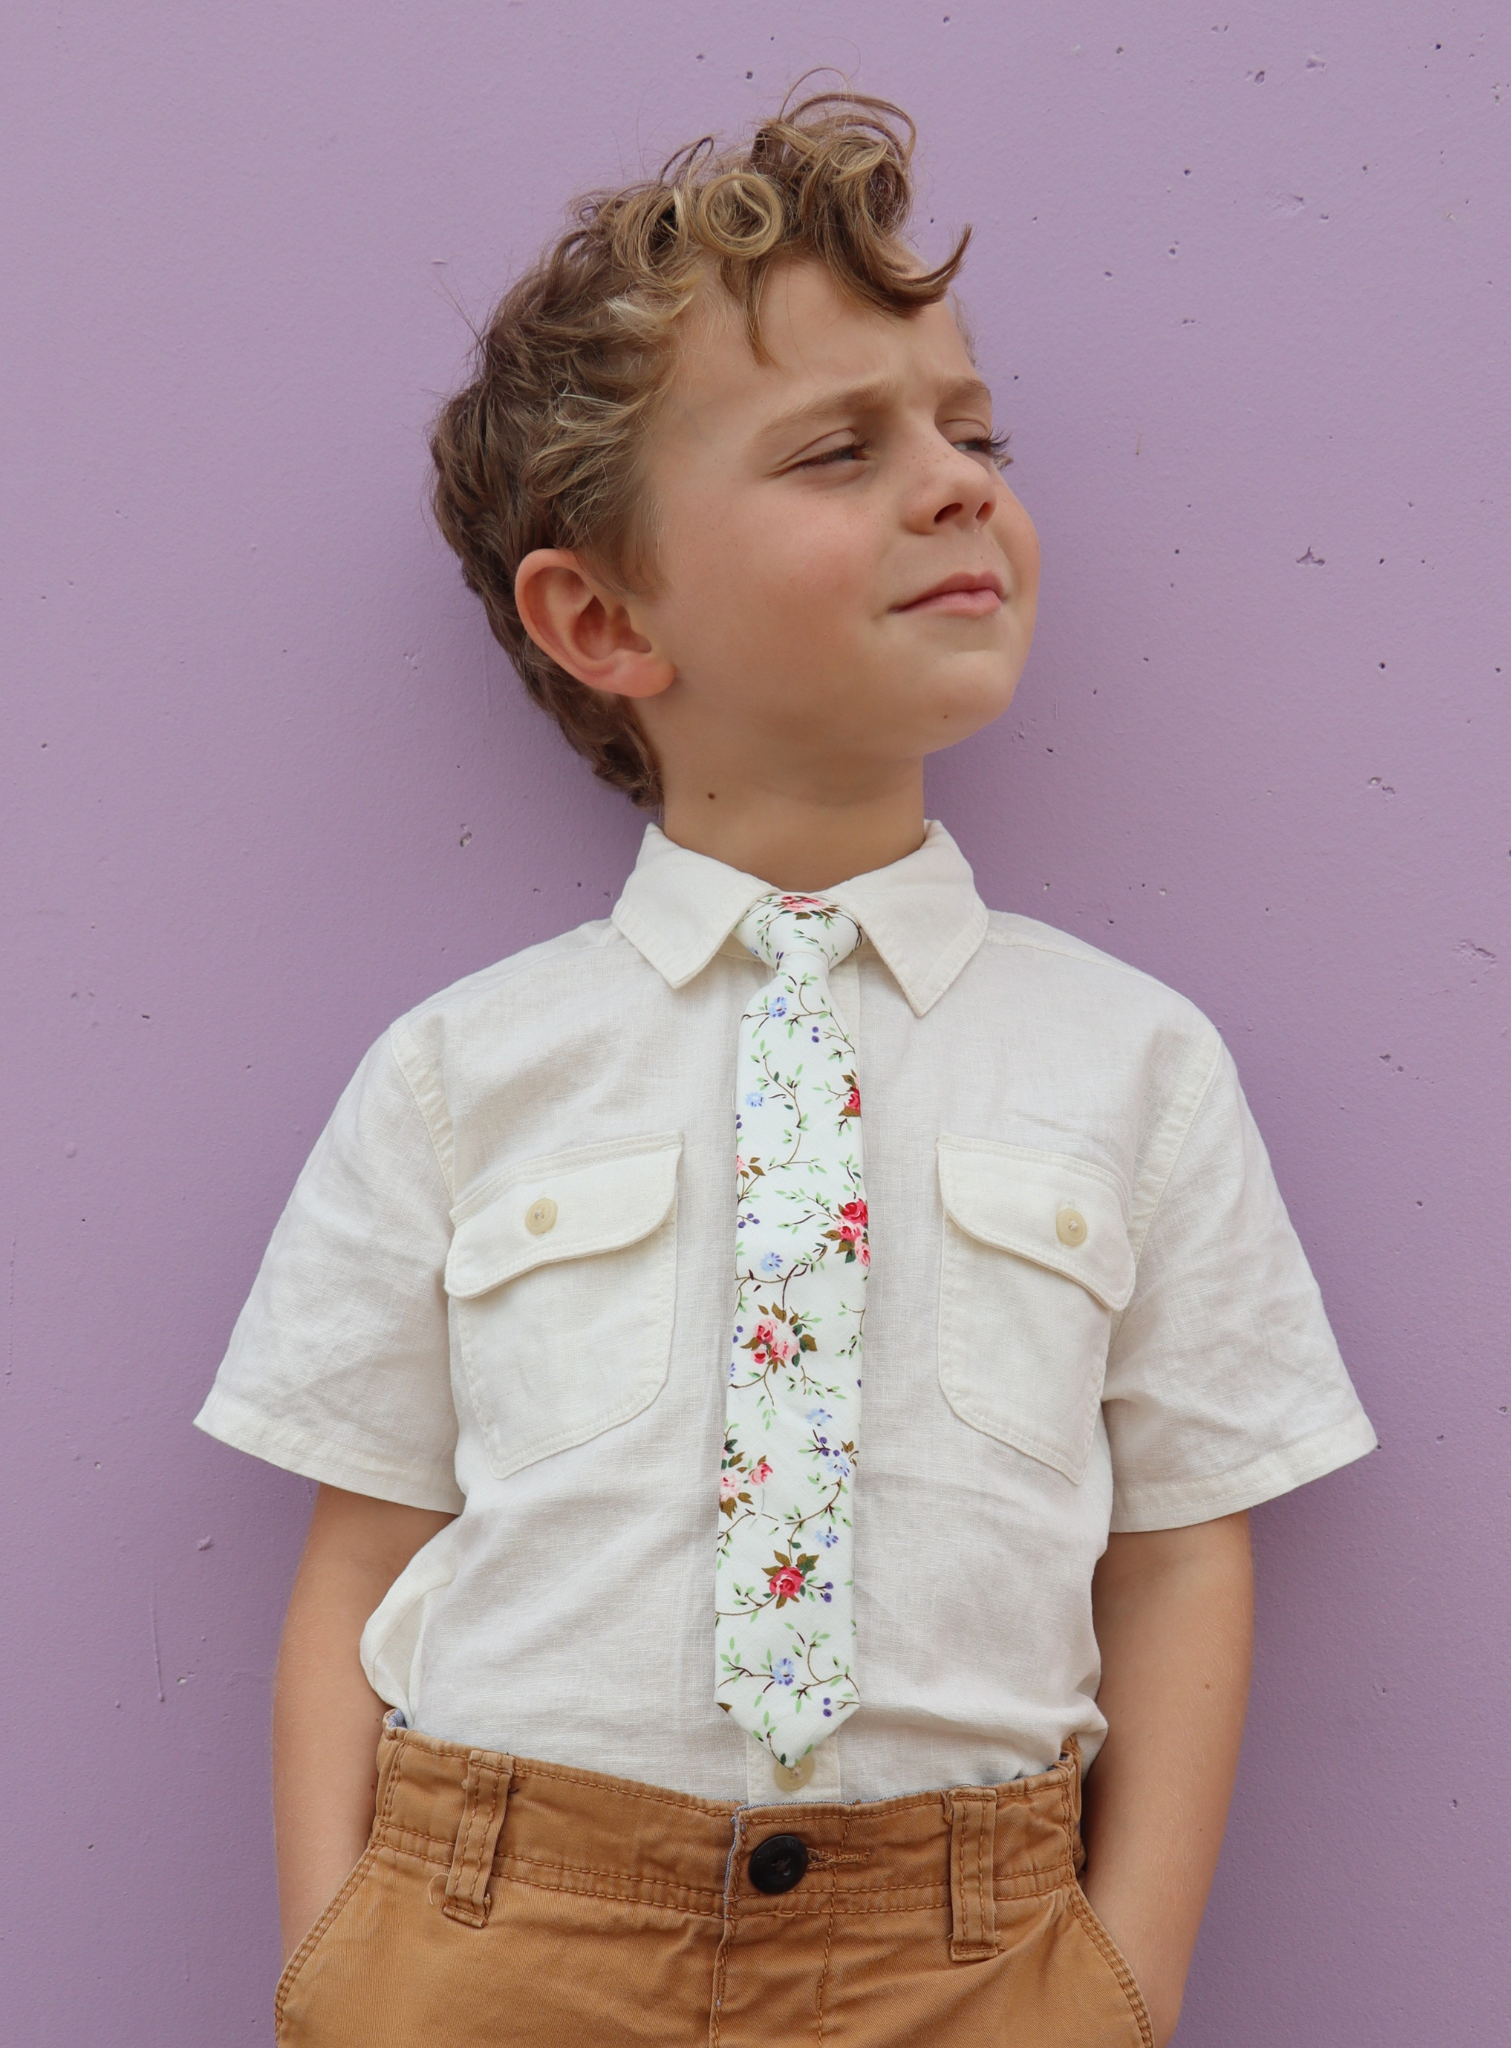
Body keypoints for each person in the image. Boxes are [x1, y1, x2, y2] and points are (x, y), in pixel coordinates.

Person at [195, 88, 1376, 2047]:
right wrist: (339, 1961)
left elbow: (1184, 1544)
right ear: (605, 614)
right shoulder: (459, 1075)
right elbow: (364, 1546)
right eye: (841, 447)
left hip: (974, 1945)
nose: (955, 483)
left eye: (975, 433)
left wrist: (1122, 1976)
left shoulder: (1134, 1063)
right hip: (498, 1933)